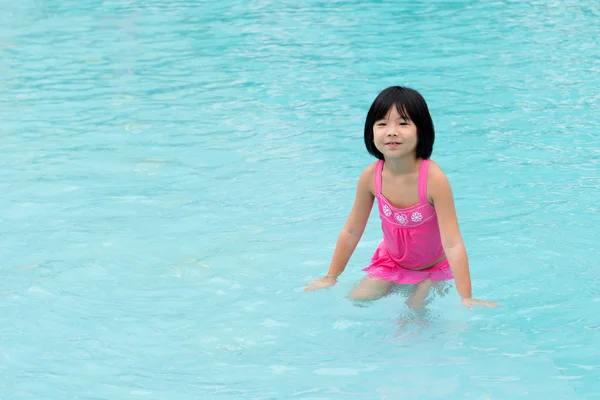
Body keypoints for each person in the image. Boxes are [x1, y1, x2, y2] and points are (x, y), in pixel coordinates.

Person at [305, 86, 498, 310]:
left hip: (432, 267)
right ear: (371, 132)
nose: (391, 131)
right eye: (382, 124)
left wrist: (466, 296)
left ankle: (421, 288)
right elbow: (352, 230)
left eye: (403, 123)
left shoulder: (434, 179)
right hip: (392, 262)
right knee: (357, 300)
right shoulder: (371, 176)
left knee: (413, 311)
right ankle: (401, 284)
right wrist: (331, 276)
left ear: (421, 131)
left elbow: (453, 242)